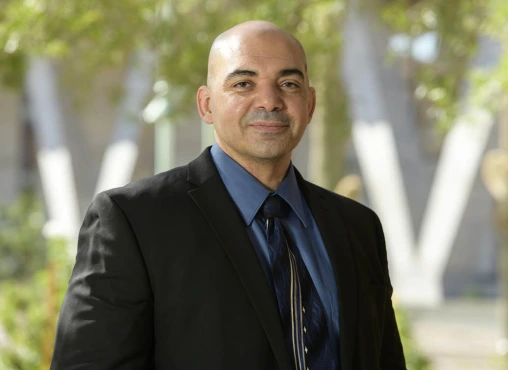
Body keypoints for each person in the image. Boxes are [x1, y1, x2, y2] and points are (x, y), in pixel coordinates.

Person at [51, 21, 407, 370]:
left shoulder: (359, 227)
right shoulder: (133, 221)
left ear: (310, 104)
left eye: (288, 83)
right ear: (206, 105)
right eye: (243, 83)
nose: (270, 100)